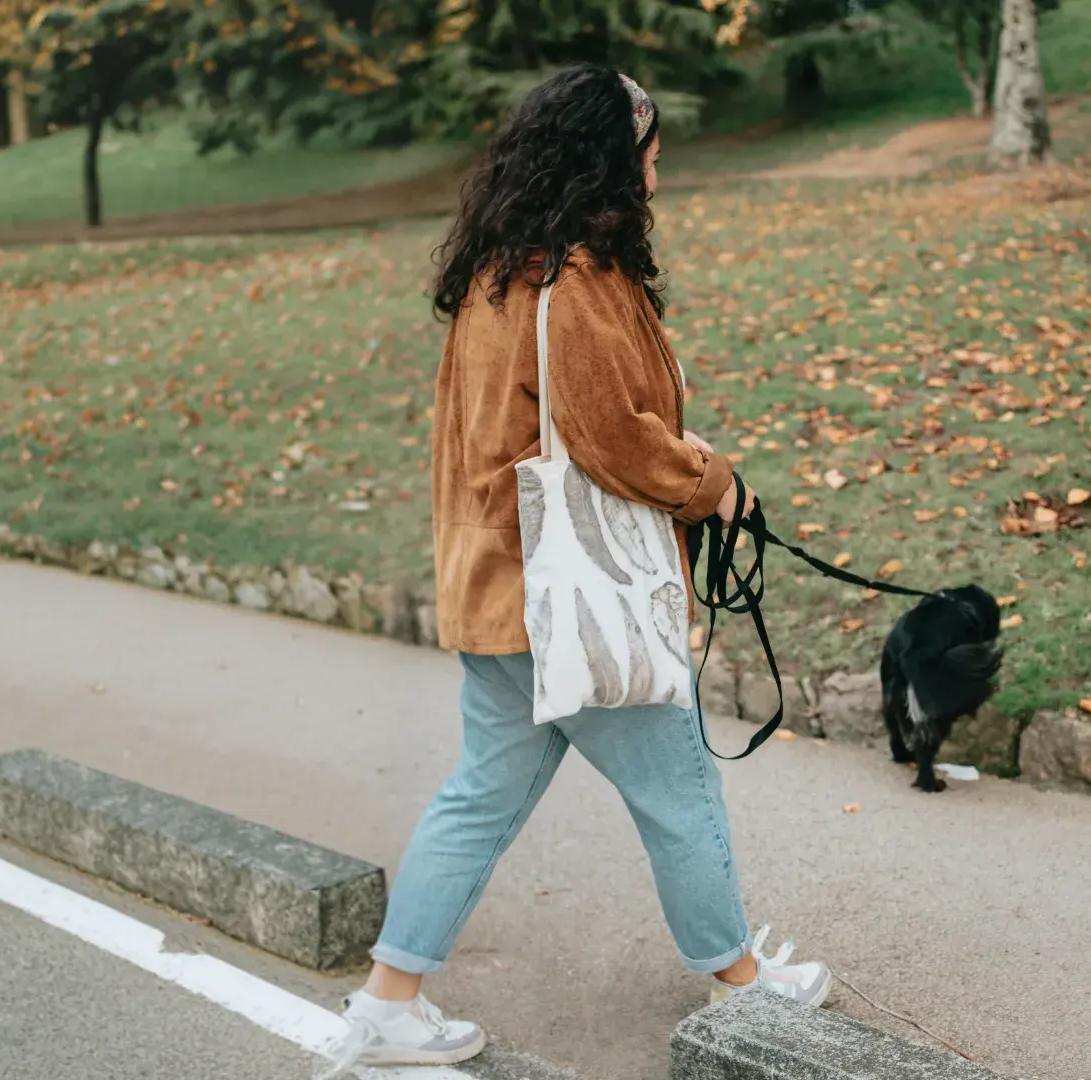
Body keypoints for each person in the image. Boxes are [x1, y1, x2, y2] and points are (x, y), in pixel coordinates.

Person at [321, 65, 830, 1075]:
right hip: (571, 599)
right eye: (649, 151)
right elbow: (610, 440)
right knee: (679, 788)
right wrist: (714, 482)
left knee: (479, 795)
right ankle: (738, 984)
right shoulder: (576, 282)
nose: (660, 169)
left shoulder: (498, 271)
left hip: (497, 590)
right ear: (609, 160)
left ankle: (388, 1000)